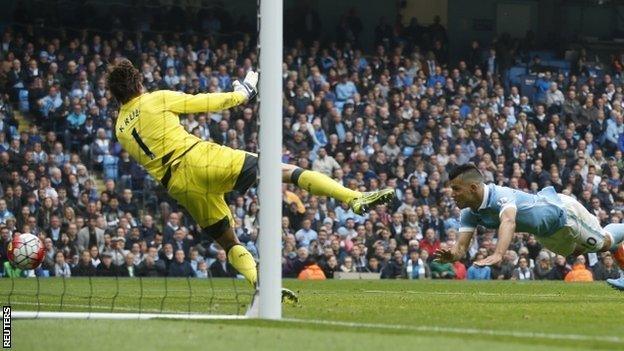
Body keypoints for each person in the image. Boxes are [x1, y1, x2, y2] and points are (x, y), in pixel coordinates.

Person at [107, 59, 395, 295]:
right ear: (138, 83)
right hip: (200, 159)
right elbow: (210, 102)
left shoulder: (120, 129)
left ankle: (261, 286)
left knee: (229, 242)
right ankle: (354, 198)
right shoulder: (155, 99)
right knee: (282, 171)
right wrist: (243, 91)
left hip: (178, 187)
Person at [434, 163, 624, 290]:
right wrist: (452, 255)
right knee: (576, 252)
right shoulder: (468, 213)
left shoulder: (500, 195)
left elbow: (508, 221)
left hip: (564, 214)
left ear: (473, 188)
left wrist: (499, 253)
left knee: (604, 243)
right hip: (546, 234)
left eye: (456, 189)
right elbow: (460, 248)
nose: (452, 194)